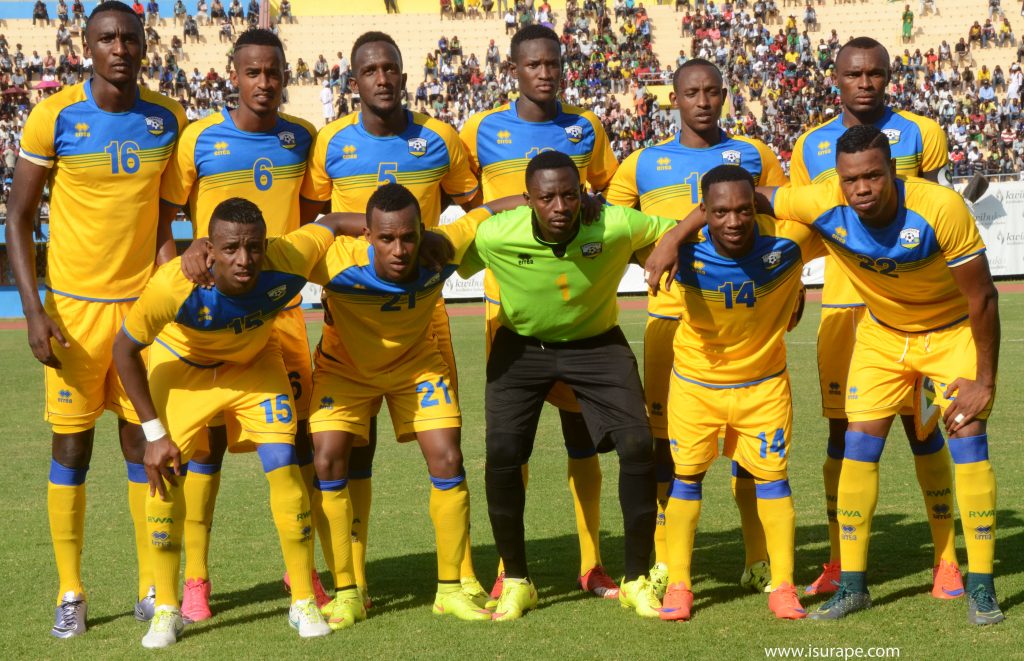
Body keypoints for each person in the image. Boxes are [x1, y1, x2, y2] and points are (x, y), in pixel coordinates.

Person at [5, 1, 186, 638]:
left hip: (140, 316)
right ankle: (71, 589)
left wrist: (171, 299)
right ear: (87, 46)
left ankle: (148, 585)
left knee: (146, 443)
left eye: (129, 37)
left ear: (145, 46)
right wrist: (34, 310)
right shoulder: (53, 116)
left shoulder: (168, 119)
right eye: (106, 37)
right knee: (71, 448)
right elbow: (20, 220)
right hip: (73, 316)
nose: (119, 47)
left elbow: (166, 225)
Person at [112, 199, 363, 647]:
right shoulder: (174, 285)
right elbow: (123, 350)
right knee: (165, 476)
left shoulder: (289, 257)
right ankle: (167, 609)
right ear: (208, 249)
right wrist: (153, 435)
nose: (244, 260)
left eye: (253, 248)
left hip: (253, 365)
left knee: (286, 464)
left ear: (267, 245)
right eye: (230, 249)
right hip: (184, 368)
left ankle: (303, 599)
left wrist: (412, 231)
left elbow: (334, 221)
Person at [301, 30, 486, 610]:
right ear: (353, 81)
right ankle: (350, 581)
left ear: (404, 77)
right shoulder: (330, 142)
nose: (382, 79)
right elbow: (315, 221)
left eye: (391, 69)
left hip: (422, 316)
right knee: (353, 450)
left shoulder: (439, 139)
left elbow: (475, 205)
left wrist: (430, 241)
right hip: (351, 316)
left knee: (445, 447)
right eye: (370, 70)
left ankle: (463, 575)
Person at [459, 150, 673, 620]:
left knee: (639, 445)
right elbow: (449, 255)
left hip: (598, 345)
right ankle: (517, 580)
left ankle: (636, 577)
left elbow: (672, 227)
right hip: (520, 349)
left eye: (569, 195)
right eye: (547, 197)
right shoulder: (498, 234)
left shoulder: (614, 224)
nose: (560, 207)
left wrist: (669, 246)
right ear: (528, 201)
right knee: (501, 454)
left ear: (584, 195)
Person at [157, 27, 325, 624]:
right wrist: (174, 278)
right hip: (210, 319)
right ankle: (196, 579)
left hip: (278, 319)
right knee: (206, 451)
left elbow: (310, 223)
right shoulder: (198, 138)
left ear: (285, 75)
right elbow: (166, 213)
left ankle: (299, 571)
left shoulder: (301, 138)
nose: (264, 83)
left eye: (273, 72)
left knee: (295, 442)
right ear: (233, 74)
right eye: (252, 72)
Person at [605, 58, 788, 599]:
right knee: (668, 450)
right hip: (672, 325)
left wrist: (790, 290)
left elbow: (778, 225)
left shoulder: (755, 155)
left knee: (750, 454)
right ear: (675, 99)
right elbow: (619, 229)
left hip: (747, 321)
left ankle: (758, 558)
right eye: (692, 93)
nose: (703, 101)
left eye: (712, 91)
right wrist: (661, 254)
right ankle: (668, 562)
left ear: (725, 94)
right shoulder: (642, 163)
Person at [788, 37, 961, 601]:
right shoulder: (809, 144)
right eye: (854, 74)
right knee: (844, 436)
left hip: (917, 311)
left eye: (875, 74)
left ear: (889, 77)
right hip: (843, 309)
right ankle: (842, 562)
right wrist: (789, 284)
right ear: (835, 78)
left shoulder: (922, 133)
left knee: (923, 431)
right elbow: (801, 225)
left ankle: (946, 559)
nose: (865, 83)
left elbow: (937, 217)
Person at [460, 23, 624, 605]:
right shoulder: (481, 130)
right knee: (511, 447)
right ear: (514, 70)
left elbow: (606, 197)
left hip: (577, 309)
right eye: (534, 64)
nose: (546, 73)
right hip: (508, 314)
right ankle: (512, 567)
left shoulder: (587, 128)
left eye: (554, 63)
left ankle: (592, 563)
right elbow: (466, 204)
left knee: (584, 439)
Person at [307, 184, 518, 627]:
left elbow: (492, 207)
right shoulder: (335, 262)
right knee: (326, 461)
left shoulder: (443, 250)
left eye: (409, 237)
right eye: (386, 238)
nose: (400, 249)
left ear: (424, 233)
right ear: (367, 236)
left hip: (416, 366)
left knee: (448, 457)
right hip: (345, 368)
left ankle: (449, 590)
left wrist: (574, 197)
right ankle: (348, 592)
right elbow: (313, 230)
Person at [645, 165, 821, 622]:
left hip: (763, 388)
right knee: (686, 479)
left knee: (773, 480)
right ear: (705, 213)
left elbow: (835, 209)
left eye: (744, 209)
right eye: (720, 212)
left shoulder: (788, 246)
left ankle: (782, 585)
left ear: (756, 206)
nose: (734, 221)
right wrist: (672, 237)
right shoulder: (683, 253)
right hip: (695, 388)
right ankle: (681, 586)